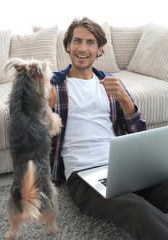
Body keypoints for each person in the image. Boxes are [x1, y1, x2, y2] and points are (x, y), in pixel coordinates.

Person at [50, 17, 168, 239]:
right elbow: (30, 134)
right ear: (68, 45)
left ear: (100, 48)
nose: (83, 48)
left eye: (91, 42)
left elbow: (138, 132)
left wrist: (124, 98)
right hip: (83, 176)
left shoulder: (110, 84)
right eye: (77, 41)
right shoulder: (53, 86)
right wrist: (42, 110)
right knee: (136, 209)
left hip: (121, 168)